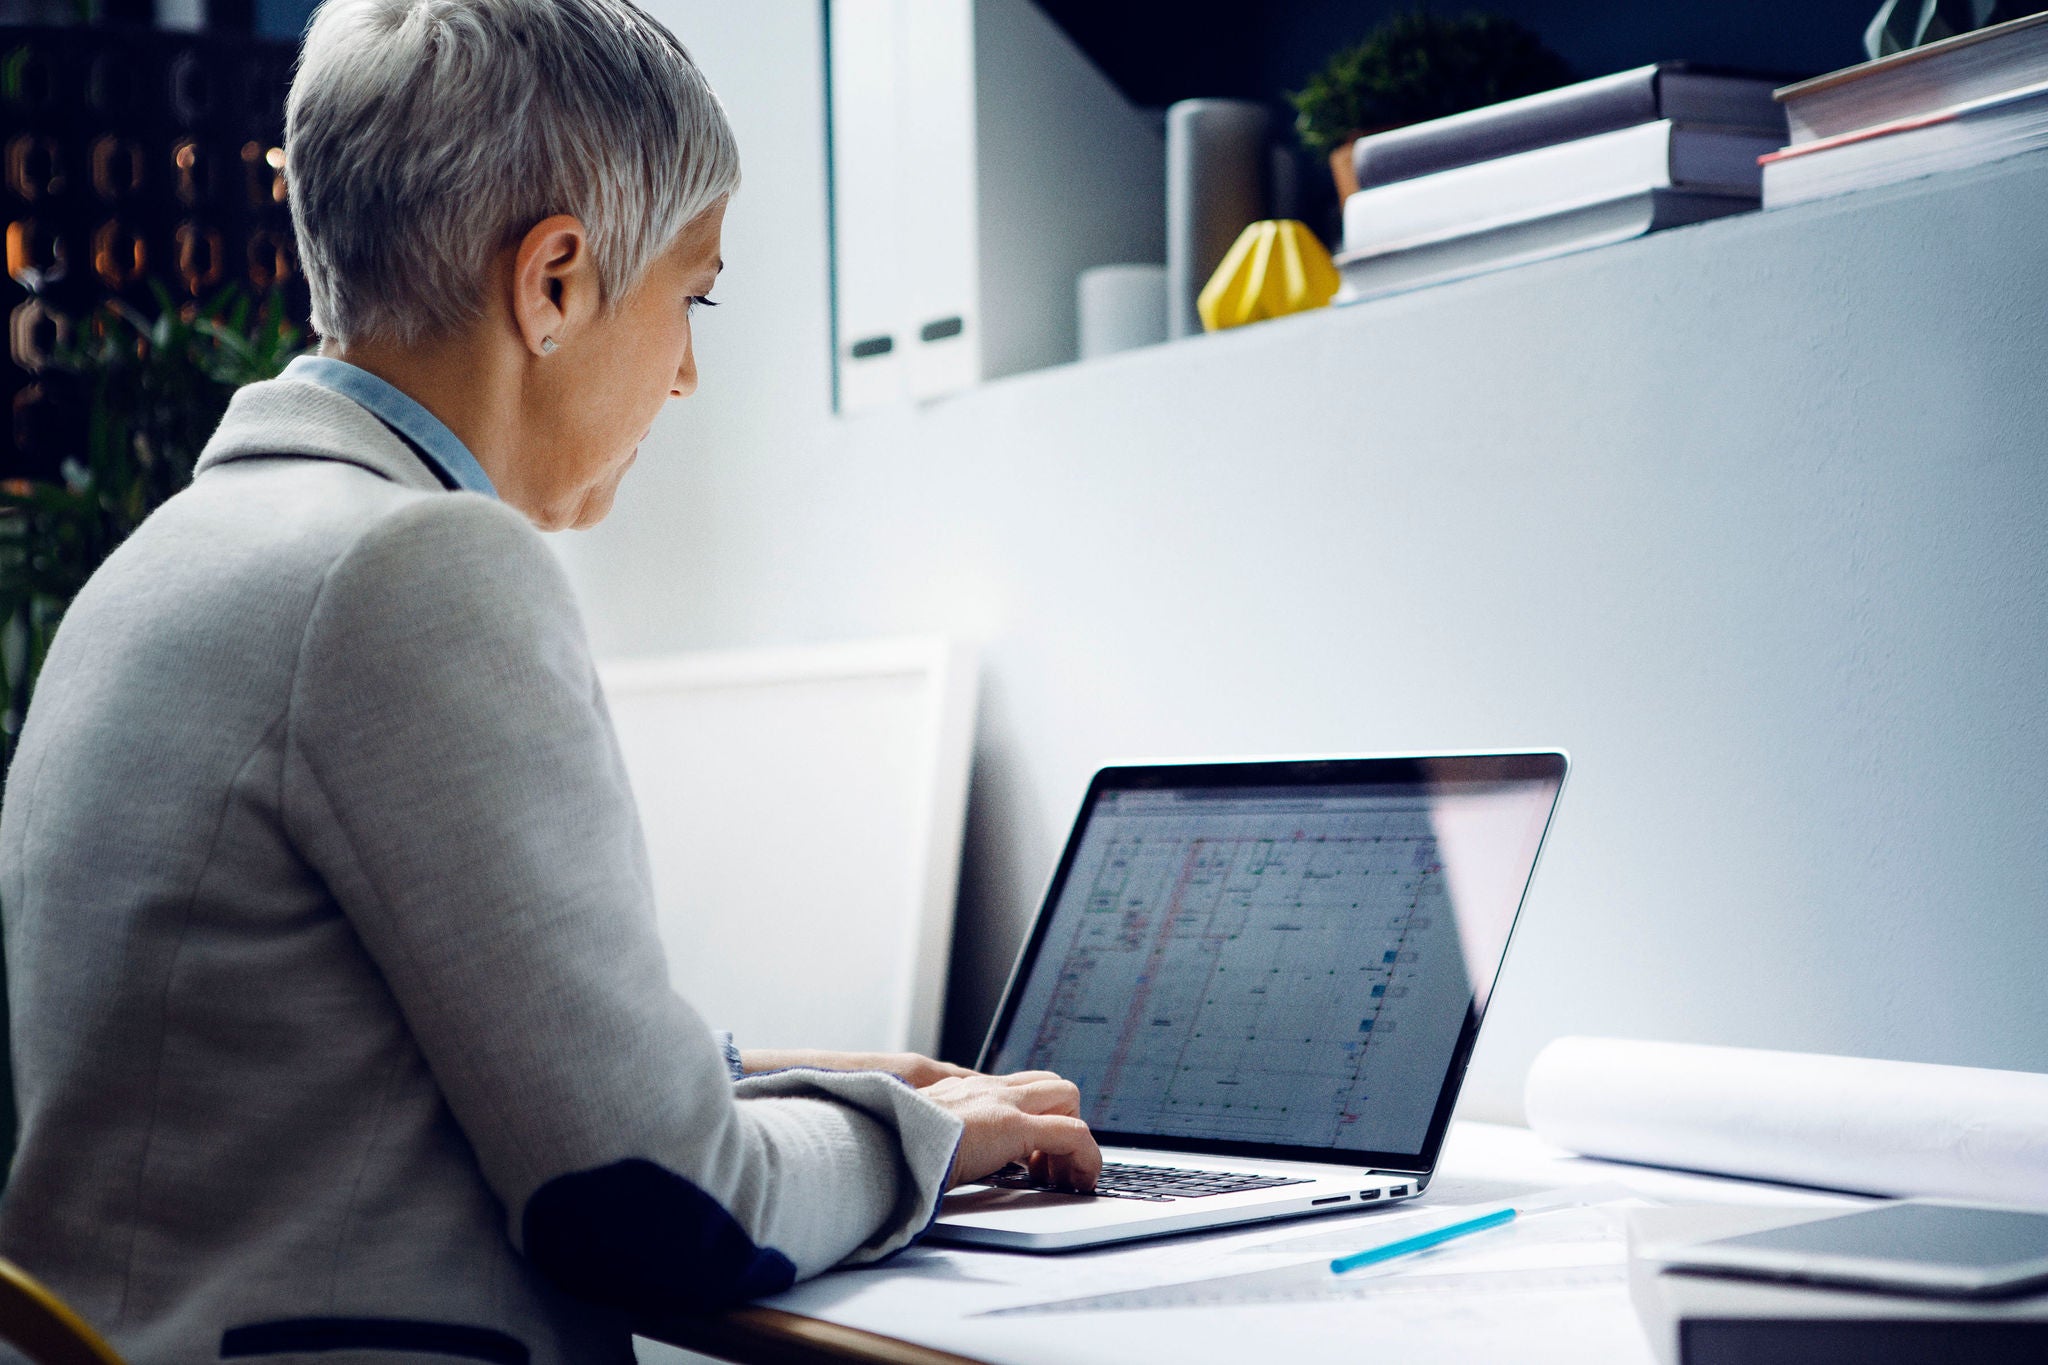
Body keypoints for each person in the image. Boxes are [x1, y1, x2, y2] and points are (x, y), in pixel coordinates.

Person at [0, 1, 1099, 1360]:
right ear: (557, 282)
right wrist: (929, 1141)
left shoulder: (158, 568)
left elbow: (354, 1081)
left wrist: (818, 1082)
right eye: (691, 297)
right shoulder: (417, 565)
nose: (690, 374)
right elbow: (658, 1205)